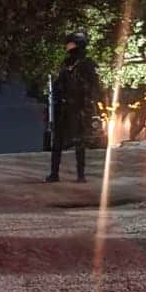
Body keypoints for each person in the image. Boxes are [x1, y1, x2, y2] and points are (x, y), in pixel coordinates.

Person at [47, 32, 102, 183]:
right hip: (64, 107)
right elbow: (59, 84)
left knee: (79, 141)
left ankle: (80, 175)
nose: (68, 46)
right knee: (57, 141)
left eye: (70, 43)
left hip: (79, 108)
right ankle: (54, 173)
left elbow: (95, 87)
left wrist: (90, 105)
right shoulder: (66, 63)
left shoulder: (87, 64)